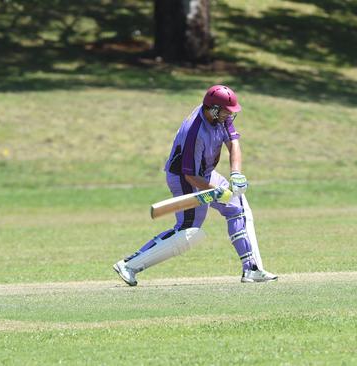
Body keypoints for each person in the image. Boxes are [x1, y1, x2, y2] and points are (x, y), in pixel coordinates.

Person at [113, 85, 278, 286]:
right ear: (214, 109)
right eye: (226, 111)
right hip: (184, 179)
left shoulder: (220, 118)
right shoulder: (194, 132)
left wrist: (236, 173)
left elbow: (233, 143)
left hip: (205, 174)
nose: (229, 116)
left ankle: (251, 269)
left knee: (238, 208)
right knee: (188, 231)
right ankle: (129, 265)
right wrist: (215, 192)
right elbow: (190, 175)